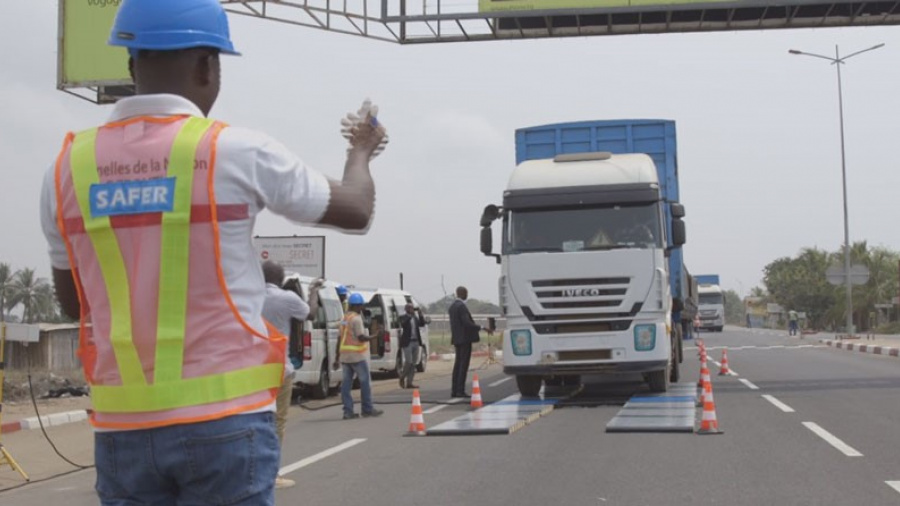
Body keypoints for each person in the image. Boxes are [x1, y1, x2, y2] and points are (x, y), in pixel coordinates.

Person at [39, 1, 386, 503]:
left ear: (131, 64)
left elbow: (76, 306)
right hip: (226, 422)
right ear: (209, 65)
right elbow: (356, 210)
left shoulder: (66, 168)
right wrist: (361, 149)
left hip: (122, 427)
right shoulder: (236, 151)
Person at [261, 261, 320, 489]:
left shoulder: (247, 296)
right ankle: (271, 474)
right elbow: (311, 314)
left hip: (249, 370)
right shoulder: (286, 298)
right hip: (279, 368)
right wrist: (314, 291)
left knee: (251, 420)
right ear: (281, 280)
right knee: (278, 422)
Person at [333, 293, 384, 420]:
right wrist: (375, 336)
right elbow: (361, 337)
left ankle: (347, 412)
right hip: (357, 356)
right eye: (361, 305)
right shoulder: (356, 319)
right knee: (365, 383)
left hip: (345, 356)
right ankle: (367, 409)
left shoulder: (345, 318)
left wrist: (336, 357)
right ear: (359, 306)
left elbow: (340, 338)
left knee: (346, 385)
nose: (362, 308)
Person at [448, 286, 488, 398]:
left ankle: (454, 390)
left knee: (457, 365)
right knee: (463, 366)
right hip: (465, 339)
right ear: (463, 293)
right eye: (466, 293)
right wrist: (482, 327)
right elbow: (467, 323)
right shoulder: (461, 307)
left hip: (457, 339)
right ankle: (460, 390)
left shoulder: (452, 307)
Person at [399, 303, 425, 389]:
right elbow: (403, 324)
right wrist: (410, 315)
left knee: (414, 363)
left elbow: (422, 324)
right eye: (410, 308)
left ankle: (409, 382)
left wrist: (420, 314)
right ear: (406, 309)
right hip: (407, 342)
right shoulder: (403, 317)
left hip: (416, 342)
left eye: (412, 308)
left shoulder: (415, 318)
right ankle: (402, 376)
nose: (412, 309)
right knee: (408, 361)